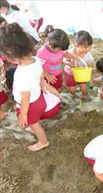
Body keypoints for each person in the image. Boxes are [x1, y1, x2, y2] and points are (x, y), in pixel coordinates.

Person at [0, 22, 61, 152]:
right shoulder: (35, 59)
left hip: (31, 104)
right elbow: (40, 76)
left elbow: (25, 99)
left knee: (34, 123)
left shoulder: (22, 74)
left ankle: (43, 142)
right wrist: (42, 85)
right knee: (32, 120)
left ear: (10, 54)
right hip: (37, 97)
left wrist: (22, 114)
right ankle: (31, 123)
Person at [36, 25, 71, 91]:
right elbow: (37, 67)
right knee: (48, 91)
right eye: (59, 49)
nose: (60, 50)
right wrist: (47, 75)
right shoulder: (41, 53)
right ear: (49, 44)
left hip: (58, 74)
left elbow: (64, 53)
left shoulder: (58, 47)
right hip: (47, 77)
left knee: (58, 88)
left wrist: (72, 56)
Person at [63, 30, 94, 100]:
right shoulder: (70, 52)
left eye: (89, 47)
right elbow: (63, 60)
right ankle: (73, 97)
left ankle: (85, 97)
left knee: (84, 88)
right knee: (72, 89)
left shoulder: (88, 56)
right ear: (76, 45)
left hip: (82, 75)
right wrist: (69, 64)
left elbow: (90, 68)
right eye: (85, 47)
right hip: (70, 73)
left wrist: (91, 79)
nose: (88, 49)